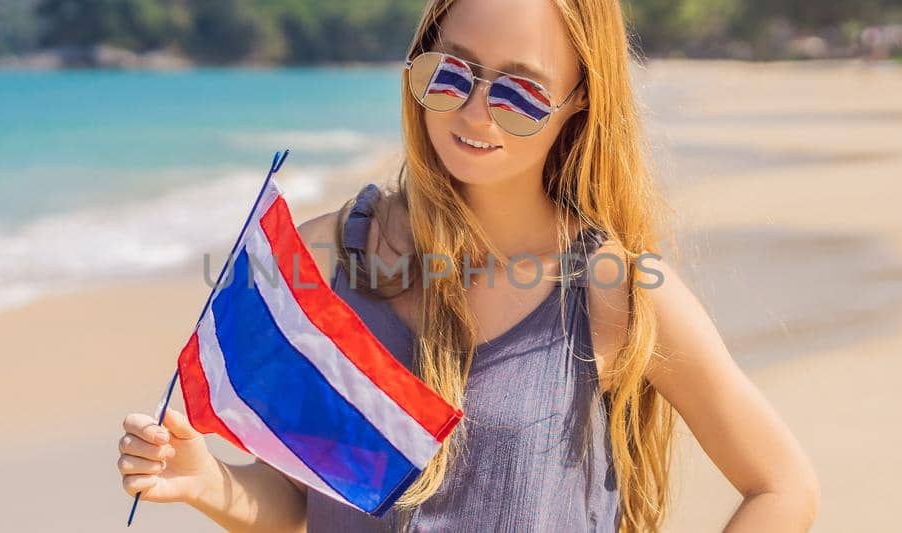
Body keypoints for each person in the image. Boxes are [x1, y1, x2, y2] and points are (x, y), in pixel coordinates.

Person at [116, 0, 819, 530]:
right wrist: (205, 479)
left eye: (519, 93)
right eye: (453, 71)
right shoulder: (325, 257)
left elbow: (782, 483)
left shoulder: (615, 290)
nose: (476, 111)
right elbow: (298, 499)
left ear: (579, 105)